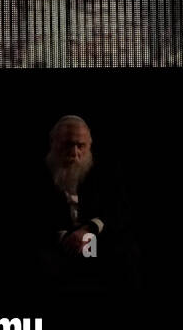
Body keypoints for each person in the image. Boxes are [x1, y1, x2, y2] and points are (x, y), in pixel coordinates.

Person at [32, 115, 138, 289]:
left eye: (80, 146)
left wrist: (89, 230)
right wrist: (66, 237)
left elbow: (118, 210)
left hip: (96, 239)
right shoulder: (39, 172)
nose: (75, 153)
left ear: (89, 145)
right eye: (68, 145)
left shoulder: (105, 170)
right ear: (53, 142)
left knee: (126, 254)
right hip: (56, 242)